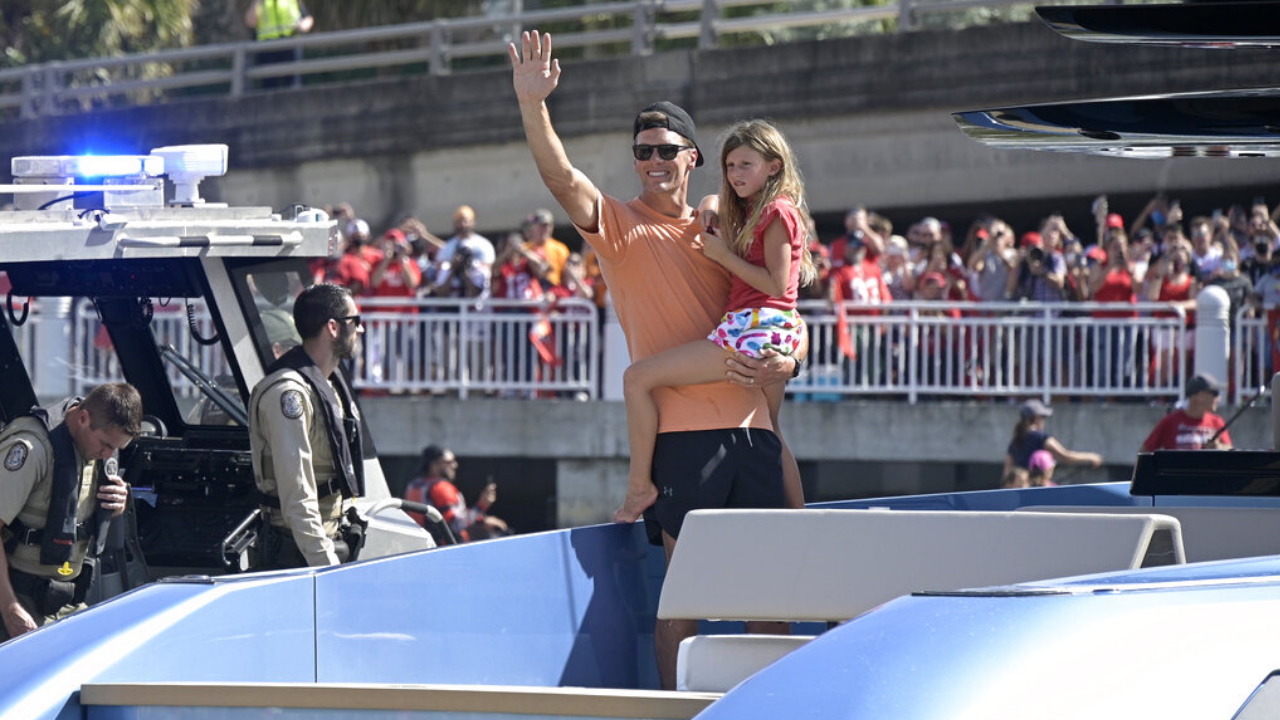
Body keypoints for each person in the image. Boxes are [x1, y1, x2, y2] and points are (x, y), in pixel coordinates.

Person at [510, 30, 804, 690]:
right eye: (641, 151)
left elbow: (785, 307)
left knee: (769, 600)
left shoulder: (728, 225)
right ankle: (671, 710)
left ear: (693, 156)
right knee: (684, 595)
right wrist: (534, 106)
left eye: (665, 150)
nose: (651, 160)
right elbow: (561, 176)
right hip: (682, 438)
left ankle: (778, 706)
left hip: (755, 431)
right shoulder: (616, 224)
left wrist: (791, 363)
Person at [617, 119, 816, 522]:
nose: (735, 174)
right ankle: (800, 524)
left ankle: (639, 487)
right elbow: (711, 201)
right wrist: (711, 212)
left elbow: (778, 285)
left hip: (756, 326)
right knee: (772, 429)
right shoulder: (755, 210)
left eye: (746, 165)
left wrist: (723, 256)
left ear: (774, 166)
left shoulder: (778, 210)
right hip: (771, 327)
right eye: (729, 166)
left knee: (638, 378)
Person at [0, 383, 142, 641]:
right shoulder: (31, 449)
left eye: (116, 449)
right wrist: (10, 608)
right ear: (83, 418)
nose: (108, 455)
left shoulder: (96, 449)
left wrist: (115, 506)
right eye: (106, 444)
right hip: (16, 598)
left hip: (65, 598)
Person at [249, 283, 366, 569]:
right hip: (299, 554)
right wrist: (325, 567)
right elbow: (297, 497)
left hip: (329, 538)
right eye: (356, 321)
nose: (361, 329)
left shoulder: (330, 385)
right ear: (333, 328)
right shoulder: (289, 394)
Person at [403, 445, 508, 543]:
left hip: (421, 543)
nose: (455, 465)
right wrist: (481, 506)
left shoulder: (413, 486)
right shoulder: (441, 487)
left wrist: (482, 520)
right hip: (444, 548)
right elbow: (456, 524)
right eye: (449, 462)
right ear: (434, 465)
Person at [1003, 399, 1102, 480]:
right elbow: (1065, 456)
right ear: (1037, 418)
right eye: (1043, 418)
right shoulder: (1040, 438)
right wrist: (1090, 457)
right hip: (1038, 488)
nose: (1044, 421)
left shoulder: (1015, 440)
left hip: (1021, 490)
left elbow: (1007, 473)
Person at [1140, 373, 1233, 451]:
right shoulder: (1170, 422)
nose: (1219, 399)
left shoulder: (1217, 422)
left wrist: (1218, 447)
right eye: (1215, 394)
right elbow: (1145, 451)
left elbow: (1230, 450)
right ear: (1200, 396)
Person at [244, 0, 314, 90]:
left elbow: (308, 18)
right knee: (269, 86)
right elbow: (251, 22)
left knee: (292, 85)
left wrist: (303, 25)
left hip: (290, 44)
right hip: (267, 47)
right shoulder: (262, 2)